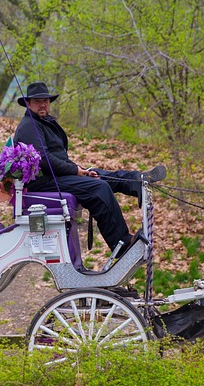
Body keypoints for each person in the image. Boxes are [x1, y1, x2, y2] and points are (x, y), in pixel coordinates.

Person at [12, 81, 165, 257]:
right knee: (98, 187)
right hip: (44, 182)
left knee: (98, 175)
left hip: (57, 175)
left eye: (46, 101)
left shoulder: (42, 123)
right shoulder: (29, 126)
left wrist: (79, 170)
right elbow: (44, 160)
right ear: (28, 103)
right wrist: (76, 171)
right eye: (38, 101)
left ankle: (136, 181)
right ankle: (121, 243)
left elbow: (57, 157)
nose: (43, 104)